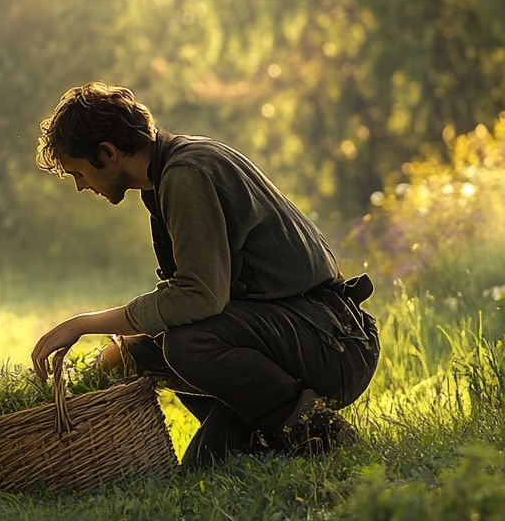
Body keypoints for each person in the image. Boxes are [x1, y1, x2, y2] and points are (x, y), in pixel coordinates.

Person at [29, 82, 380, 468]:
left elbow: (198, 298)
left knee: (187, 344)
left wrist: (84, 324)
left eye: (78, 173)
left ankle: (316, 432)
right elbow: (195, 298)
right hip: (302, 333)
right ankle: (254, 442)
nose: (81, 186)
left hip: (334, 343)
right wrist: (108, 361)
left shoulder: (185, 174)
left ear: (107, 153)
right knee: (158, 362)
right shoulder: (170, 172)